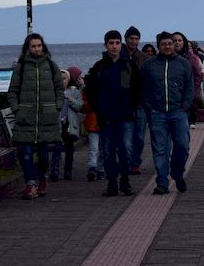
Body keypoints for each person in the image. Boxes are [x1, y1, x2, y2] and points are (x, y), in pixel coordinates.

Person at [7, 33, 64, 200]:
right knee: (26, 154)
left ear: (43, 47)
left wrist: (57, 106)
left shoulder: (51, 66)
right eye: (33, 46)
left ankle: (42, 179)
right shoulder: (21, 68)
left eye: (39, 46)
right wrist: (18, 109)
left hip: (46, 118)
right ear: (28, 48)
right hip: (26, 118)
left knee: (44, 155)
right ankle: (30, 184)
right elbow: (12, 91)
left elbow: (59, 89)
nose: (37, 49)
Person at [86, 29, 142, 197]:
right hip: (106, 117)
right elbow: (91, 91)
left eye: (117, 43)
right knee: (108, 151)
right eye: (111, 43)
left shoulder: (129, 65)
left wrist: (131, 107)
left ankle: (125, 181)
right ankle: (111, 183)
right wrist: (98, 110)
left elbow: (138, 88)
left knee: (126, 149)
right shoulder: (99, 67)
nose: (114, 46)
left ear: (121, 44)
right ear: (106, 45)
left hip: (125, 116)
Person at [142, 31, 194, 195]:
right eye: (164, 44)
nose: (167, 46)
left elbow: (189, 87)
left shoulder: (183, 63)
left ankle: (177, 173)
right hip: (157, 114)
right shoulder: (149, 65)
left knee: (182, 146)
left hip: (178, 112)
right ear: (158, 46)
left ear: (174, 45)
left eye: (170, 43)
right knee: (160, 149)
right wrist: (150, 107)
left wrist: (185, 106)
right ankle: (162, 182)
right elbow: (144, 89)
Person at [50, 67, 84, 181]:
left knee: (69, 149)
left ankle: (68, 171)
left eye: (64, 78)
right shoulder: (53, 93)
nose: (62, 81)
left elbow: (79, 106)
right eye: (60, 79)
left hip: (69, 125)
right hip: (57, 124)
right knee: (56, 148)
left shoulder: (75, 92)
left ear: (68, 80)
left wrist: (70, 99)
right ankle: (54, 171)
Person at [124, 25, 149, 175]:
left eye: (136, 38)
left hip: (140, 103)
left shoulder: (144, 58)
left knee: (139, 136)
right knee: (126, 136)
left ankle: (135, 162)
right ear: (126, 39)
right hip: (124, 103)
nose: (134, 41)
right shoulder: (119, 55)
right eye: (131, 38)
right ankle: (126, 161)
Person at [172, 31, 203, 129]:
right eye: (174, 40)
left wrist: (195, 95)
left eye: (179, 40)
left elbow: (196, 78)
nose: (177, 42)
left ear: (184, 42)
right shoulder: (164, 58)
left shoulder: (192, 58)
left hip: (186, 96)